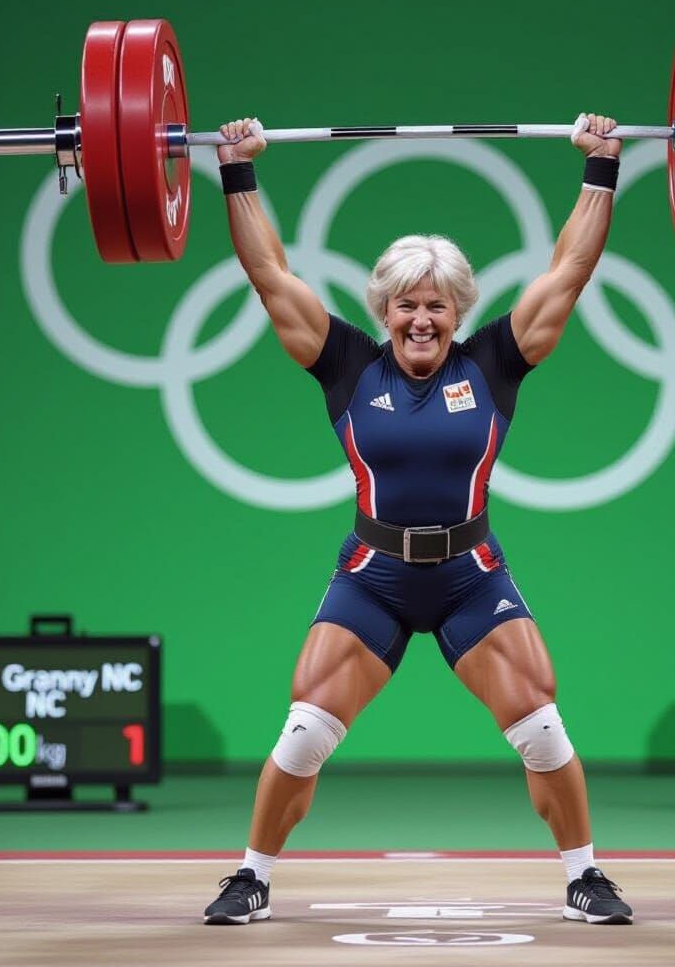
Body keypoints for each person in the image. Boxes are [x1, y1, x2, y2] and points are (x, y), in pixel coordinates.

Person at [202, 113, 633, 927]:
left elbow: (570, 270)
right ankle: (250, 877)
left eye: (436, 305)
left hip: (472, 578)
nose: (422, 320)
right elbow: (268, 275)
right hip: (377, 579)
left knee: (541, 726)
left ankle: (585, 875)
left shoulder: (497, 363)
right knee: (302, 732)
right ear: (385, 310)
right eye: (406, 306)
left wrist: (602, 167)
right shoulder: (345, 365)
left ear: (459, 309)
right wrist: (237, 170)